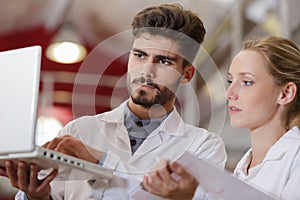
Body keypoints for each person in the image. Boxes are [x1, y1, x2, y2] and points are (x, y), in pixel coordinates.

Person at [0, 4, 227, 200]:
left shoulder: (204, 147)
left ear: (187, 75)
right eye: (139, 55)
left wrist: (99, 160)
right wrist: (37, 195)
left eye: (164, 61)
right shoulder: (79, 131)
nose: (147, 71)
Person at [142, 36, 300, 200]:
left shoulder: (296, 156)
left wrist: (194, 195)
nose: (229, 93)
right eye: (230, 80)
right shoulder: (243, 167)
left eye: (246, 82)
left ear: (285, 93)